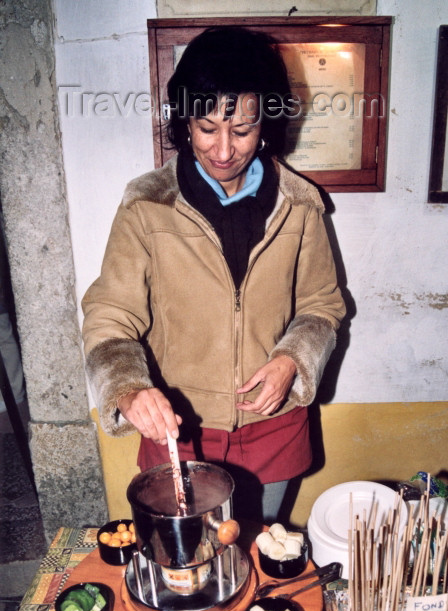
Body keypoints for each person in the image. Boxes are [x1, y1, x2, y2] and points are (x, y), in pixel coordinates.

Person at [82, 27, 346, 523]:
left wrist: (293, 360)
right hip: (180, 432)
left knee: (259, 560)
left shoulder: (300, 205)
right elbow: (109, 316)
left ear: (264, 124)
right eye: (207, 128)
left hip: (274, 426)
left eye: (241, 131)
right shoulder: (147, 206)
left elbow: (322, 305)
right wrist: (127, 386)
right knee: (191, 570)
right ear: (183, 121)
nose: (223, 150)